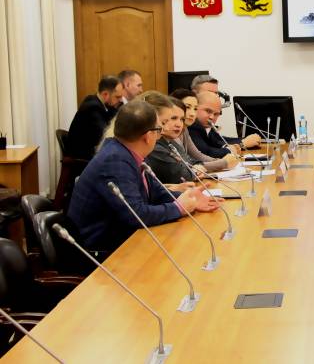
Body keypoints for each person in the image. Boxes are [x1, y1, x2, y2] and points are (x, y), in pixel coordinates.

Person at [67, 101, 220, 252]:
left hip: (122, 237)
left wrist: (187, 198)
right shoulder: (115, 160)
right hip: (101, 251)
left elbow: (155, 192)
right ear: (148, 136)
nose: (160, 135)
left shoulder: (128, 152)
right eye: (159, 129)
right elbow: (136, 214)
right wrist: (179, 208)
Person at [171, 88, 237, 172]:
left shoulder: (184, 129)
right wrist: (223, 163)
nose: (192, 114)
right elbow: (185, 166)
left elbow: (197, 155)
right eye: (187, 107)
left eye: (195, 109)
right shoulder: (170, 133)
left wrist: (222, 161)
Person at [141, 93, 200, 188]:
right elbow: (183, 175)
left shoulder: (169, 141)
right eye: (173, 118)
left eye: (182, 119)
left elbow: (191, 161)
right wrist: (194, 172)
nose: (179, 124)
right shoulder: (154, 145)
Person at [66, 75, 124, 160]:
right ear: (105, 94)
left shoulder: (98, 103)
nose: (121, 100)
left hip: (90, 153)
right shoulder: (93, 107)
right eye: (118, 97)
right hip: (83, 159)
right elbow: (105, 135)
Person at [188, 91, 260, 158]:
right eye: (208, 111)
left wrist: (246, 140)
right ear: (195, 107)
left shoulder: (205, 127)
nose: (211, 117)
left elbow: (218, 142)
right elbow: (207, 153)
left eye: (216, 114)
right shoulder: (191, 127)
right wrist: (242, 144)